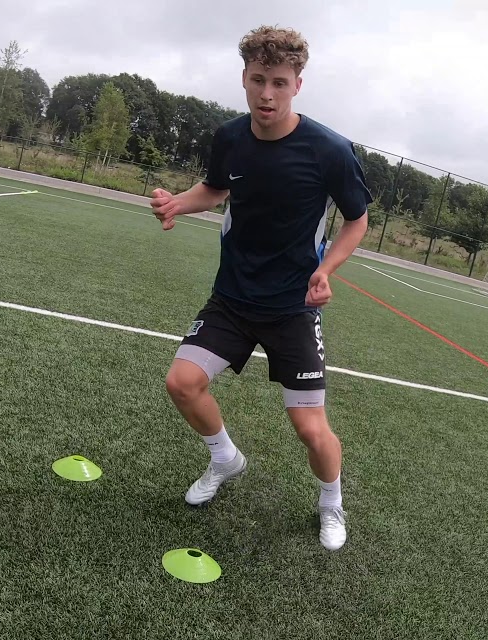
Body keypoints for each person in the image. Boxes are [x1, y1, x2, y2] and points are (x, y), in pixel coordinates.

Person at [149, 25, 372, 551]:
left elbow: (357, 221)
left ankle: (331, 504)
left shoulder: (329, 151)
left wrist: (326, 271)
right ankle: (226, 459)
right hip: (231, 297)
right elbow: (216, 188)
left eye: (278, 82)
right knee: (182, 383)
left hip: (293, 308)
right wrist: (178, 203)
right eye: (257, 81)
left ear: (298, 83)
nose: (266, 94)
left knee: (310, 429)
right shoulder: (229, 138)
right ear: (243, 79)